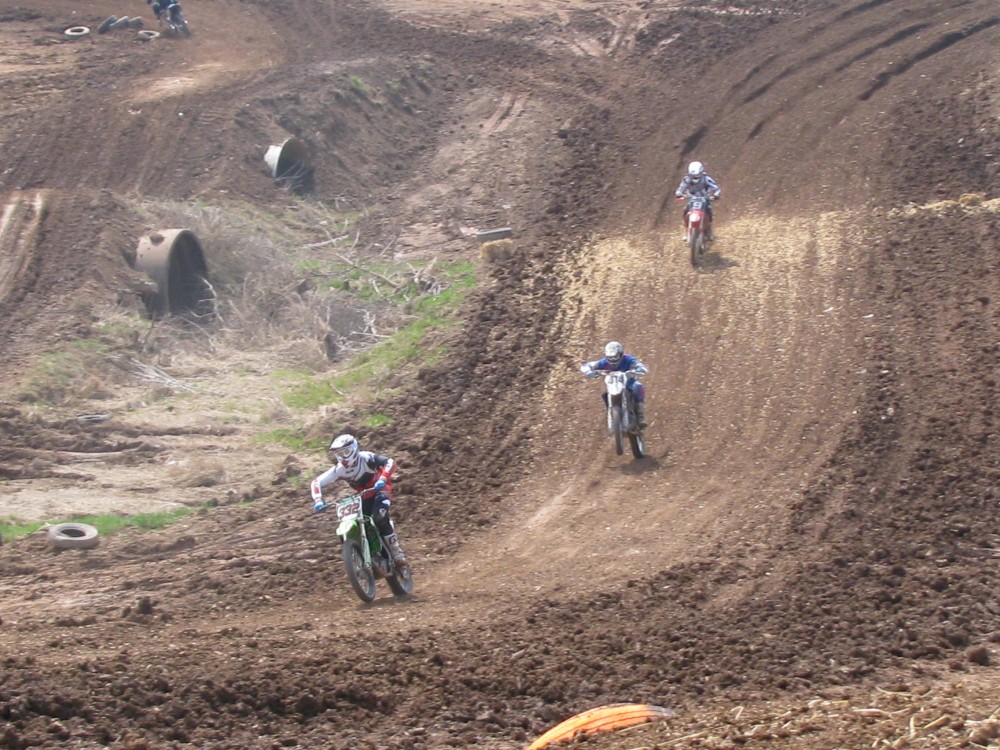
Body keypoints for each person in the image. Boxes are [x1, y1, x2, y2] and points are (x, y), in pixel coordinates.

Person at [310, 434, 408, 570]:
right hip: (364, 496)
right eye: (339, 454)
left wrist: (383, 478)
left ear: (354, 449)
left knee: (379, 517)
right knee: (360, 521)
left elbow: (389, 462)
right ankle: (372, 553)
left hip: (380, 490)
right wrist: (318, 500)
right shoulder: (340, 469)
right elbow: (317, 482)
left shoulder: (366, 458)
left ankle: (397, 552)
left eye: (345, 452)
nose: (343, 457)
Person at [580, 341, 649, 428]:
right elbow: (586, 365)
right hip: (613, 385)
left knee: (638, 386)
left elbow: (638, 364)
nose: (612, 360)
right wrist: (588, 371)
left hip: (628, 383)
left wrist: (640, 368)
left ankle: (640, 415)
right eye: (610, 357)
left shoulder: (628, 359)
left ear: (620, 354)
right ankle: (612, 412)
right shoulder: (604, 362)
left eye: (615, 357)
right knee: (605, 394)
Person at [675, 160, 722, 240]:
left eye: (697, 175)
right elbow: (681, 187)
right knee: (685, 211)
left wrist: (716, 194)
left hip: (704, 198)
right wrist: (679, 193)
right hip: (692, 198)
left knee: (709, 211)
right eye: (693, 176)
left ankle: (708, 229)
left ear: (701, 172)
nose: (695, 177)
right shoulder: (687, 179)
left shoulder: (706, 179)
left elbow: (715, 187)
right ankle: (687, 230)